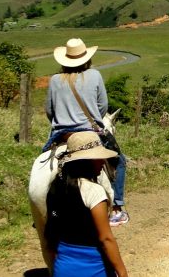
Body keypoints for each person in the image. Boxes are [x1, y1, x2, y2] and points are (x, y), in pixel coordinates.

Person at [44, 37, 130, 227]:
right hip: (90, 132)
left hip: (61, 134)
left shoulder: (54, 80)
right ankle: (116, 209)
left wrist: (61, 124)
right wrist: (91, 119)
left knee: (43, 161)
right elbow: (103, 106)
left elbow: (49, 111)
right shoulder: (95, 75)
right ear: (86, 58)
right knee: (120, 161)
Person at [45, 131, 128, 277]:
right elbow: (105, 238)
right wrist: (122, 271)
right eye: (98, 158)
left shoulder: (54, 188)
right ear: (86, 161)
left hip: (63, 267)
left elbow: (51, 232)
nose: (103, 163)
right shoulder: (94, 192)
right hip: (94, 268)